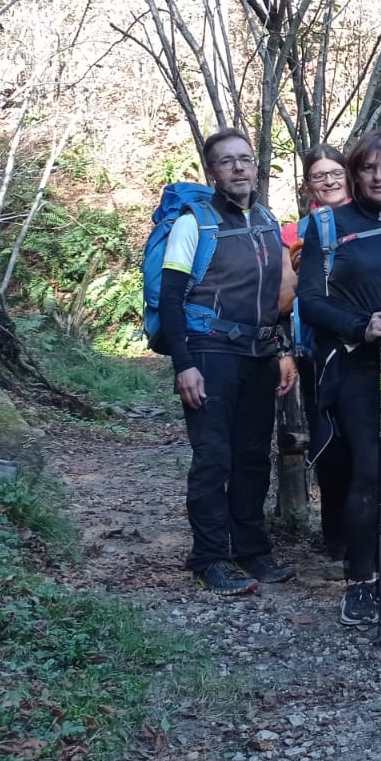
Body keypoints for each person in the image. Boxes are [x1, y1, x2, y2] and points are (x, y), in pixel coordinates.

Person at [158, 129, 298, 595]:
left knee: (254, 457)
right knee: (214, 457)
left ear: (255, 167)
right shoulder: (193, 223)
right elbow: (173, 298)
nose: (238, 168)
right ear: (211, 172)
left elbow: (275, 296)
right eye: (226, 161)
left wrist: (280, 350)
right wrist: (183, 364)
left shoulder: (264, 218)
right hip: (209, 351)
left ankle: (252, 551)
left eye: (244, 159)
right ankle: (210, 558)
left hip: (259, 353)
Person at [297, 129, 381, 626]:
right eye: (368, 168)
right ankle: (359, 579)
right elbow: (310, 300)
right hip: (351, 365)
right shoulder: (328, 226)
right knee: (368, 470)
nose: (378, 176)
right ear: (354, 173)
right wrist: (360, 326)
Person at [284, 145, 352, 574]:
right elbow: (285, 296)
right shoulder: (295, 230)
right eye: (319, 176)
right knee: (328, 440)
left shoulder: (375, 218)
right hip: (315, 348)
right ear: (308, 184)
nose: (329, 182)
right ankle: (337, 539)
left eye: (335, 173)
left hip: (370, 345)